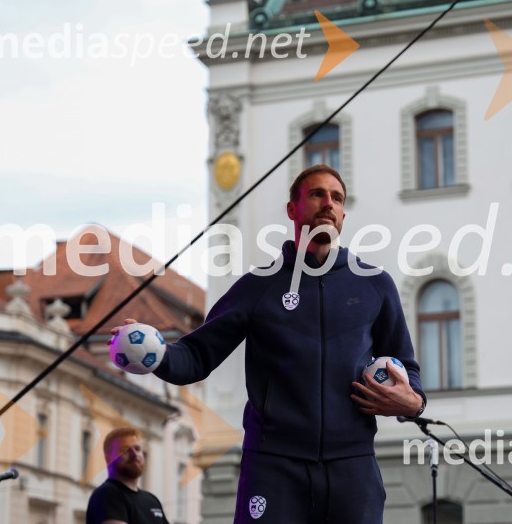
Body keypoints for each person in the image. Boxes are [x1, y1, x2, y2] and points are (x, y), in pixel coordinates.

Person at [113, 165, 426, 524]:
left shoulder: (375, 285)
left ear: (342, 215)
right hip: (274, 466)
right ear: (292, 209)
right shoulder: (258, 286)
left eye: (337, 198)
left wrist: (413, 403)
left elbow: (406, 367)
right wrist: (153, 352)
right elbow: (197, 355)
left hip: (352, 467)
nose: (328, 203)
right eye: (317, 194)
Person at [86, 427, 169, 524]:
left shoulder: (152, 501)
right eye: (125, 450)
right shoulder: (106, 494)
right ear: (109, 459)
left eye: (137, 449)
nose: (134, 454)